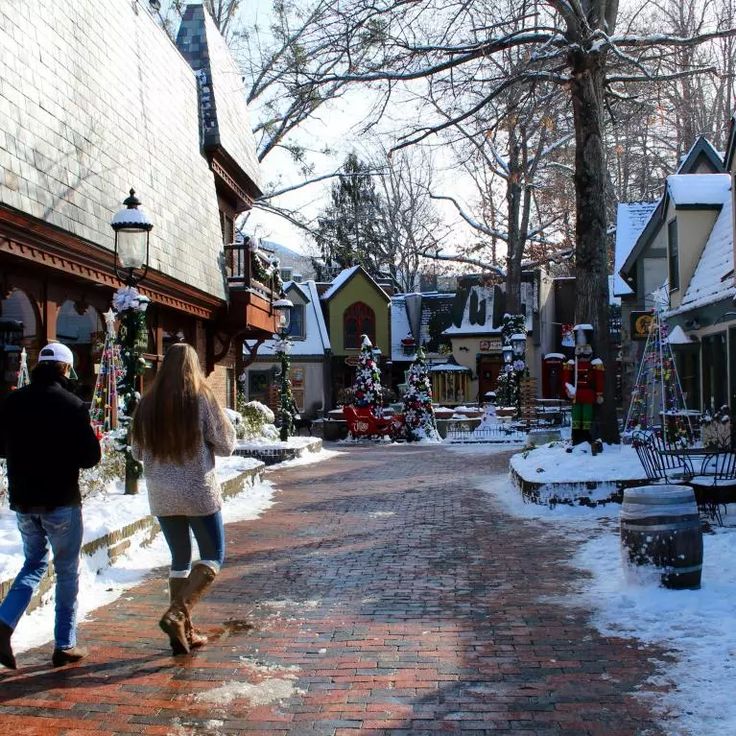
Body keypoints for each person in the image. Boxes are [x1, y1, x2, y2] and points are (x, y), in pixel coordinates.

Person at [0, 342, 101, 669]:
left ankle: (3, 623)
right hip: (61, 501)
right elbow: (90, 458)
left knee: (33, 563)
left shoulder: (13, 402)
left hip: (24, 502)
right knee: (67, 570)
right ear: (66, 369)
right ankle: (64, 643)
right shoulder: (72, 405)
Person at [131, 343, 235, 655]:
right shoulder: (202, 398)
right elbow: (227, 443)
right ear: (194, 366)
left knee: (179, 559)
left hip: (161, 493)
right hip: (196, 490)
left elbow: (137, 452)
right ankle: (178, 614)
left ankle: (184, 633)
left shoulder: (147, 404)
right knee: (213, 555)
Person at [562, 324, 605, 454]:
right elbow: (566, 379)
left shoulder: (595, 363)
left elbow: (599, 379)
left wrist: (599, 393)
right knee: (575, 417)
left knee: (587, 417)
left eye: (585, 349)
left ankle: (587, 437)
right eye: (579, 349)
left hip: (588, 395)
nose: (582, 352)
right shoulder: (572, 363)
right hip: (576, 395)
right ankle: (576, 438)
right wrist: (568, 390)